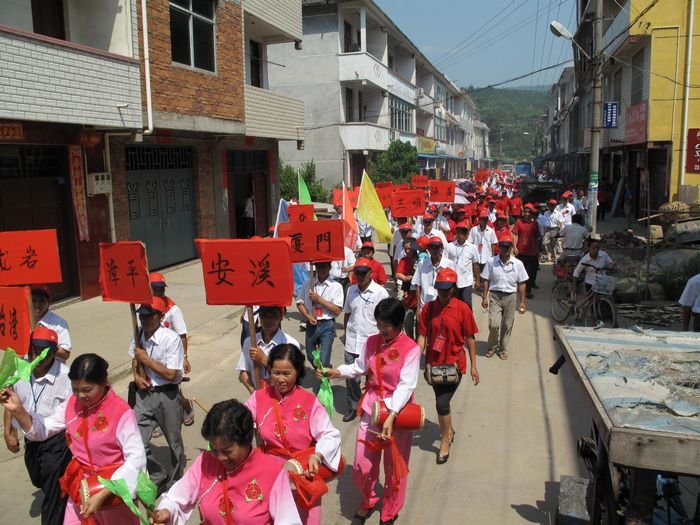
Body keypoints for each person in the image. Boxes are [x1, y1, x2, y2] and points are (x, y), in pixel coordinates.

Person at [1, 353, 147, 524]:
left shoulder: (121, 413)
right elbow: (45, 428)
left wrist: (106, 492)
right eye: (76, 389)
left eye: (87, 390)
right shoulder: (72, 404)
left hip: (113, 494)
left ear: (104, 382)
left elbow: (136, 460)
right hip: (81, 490)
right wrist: (18, 410)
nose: (81, 396)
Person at [319, 298, 420, 525]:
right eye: (379, 324)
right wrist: (335, 372)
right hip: (371, 408)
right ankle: (369, 500)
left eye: (387, 325)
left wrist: (392, 414)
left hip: (399, 413)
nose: (382, 330)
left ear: (399, 323)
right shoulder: (372, 341)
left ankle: (390, 510)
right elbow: (359, 367)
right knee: (362, 466)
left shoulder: (411, 349)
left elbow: (406, 385)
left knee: (395, 468)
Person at [151, 399, 302, 525]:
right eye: (214, 449)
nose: (220, 458)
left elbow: (288, 521)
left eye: (227, 451)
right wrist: (167, 511)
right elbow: (176, 498)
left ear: (246, 441)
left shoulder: (272, 473)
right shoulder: (205, 462)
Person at [245, 345, 342, 524]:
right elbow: (240, 422)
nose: (280, 379)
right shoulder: (258, 398)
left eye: (286, 373)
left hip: (303, 469)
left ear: (298, 372)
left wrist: (318, 456)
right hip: (270, 473)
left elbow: (329, 434)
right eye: (276, 372)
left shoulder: (309, 402)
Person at [3, 326, 73, 525]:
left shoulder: (66, 378)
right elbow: (11, 402)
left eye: (41, 352)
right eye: (32, 349)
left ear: (52, 353)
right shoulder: (20, 370)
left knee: (53, 496)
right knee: (39, 479)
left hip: (56, 444)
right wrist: (8, 432)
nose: (35, 356)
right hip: (31, 440)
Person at [417, 268, 479, 464]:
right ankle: (448, 429)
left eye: (447, 290)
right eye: (440, 289)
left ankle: (445, 440)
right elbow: (423, 335)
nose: (443, 294)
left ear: (453, 289)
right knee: (440, 400)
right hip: (434, 364)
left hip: (454, 365)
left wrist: (474, 366)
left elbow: (470, 338)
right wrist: (415, 357)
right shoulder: (429, 309)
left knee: (442, 403)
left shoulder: (463, 309)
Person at [129, 297, 186, 493]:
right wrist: (137, 376)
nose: (144, 320)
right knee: (136, 440)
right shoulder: (138, 335)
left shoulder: (171, 339)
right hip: (144, 395)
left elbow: (172, 374)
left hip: (167, 396)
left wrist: (148, 360)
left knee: (174, 442)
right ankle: (158, 474)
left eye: (149, 315)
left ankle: (177, 480)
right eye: (141, 315)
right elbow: (134, 361)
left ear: (160, 317)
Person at [342, 258, 389, 422]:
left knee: (372, 378)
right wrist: (346, 334)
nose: (360, 276)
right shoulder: (350, 290)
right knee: (351, 378)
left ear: (371, 273)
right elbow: (347, 313)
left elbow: (386, 318)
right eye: (357, 273)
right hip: (352, 341)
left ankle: (371, 407)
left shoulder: (380, 293)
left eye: (363, 273)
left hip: (371, 343)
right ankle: (354, 406)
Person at [150, 272, 195, 427]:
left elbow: (182, 334)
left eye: (161, 289)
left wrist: (184, 357)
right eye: (155, 289)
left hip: (171, 355)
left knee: (173, 390)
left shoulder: (173, 309)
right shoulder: (145, 307)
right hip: (152, 355)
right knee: (154, 389)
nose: (159, 292)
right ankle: (157, 421)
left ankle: (187, 406)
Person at [481, 236, 529, 361]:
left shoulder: (518, 264)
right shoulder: (491, 262)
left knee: (507, 325)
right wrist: (484, 297)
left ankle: (503, 349)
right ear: (499, 247)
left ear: (511, 248)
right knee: (493, 324)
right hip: (495, 296)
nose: (506, 249)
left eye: (508, 246)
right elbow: (486, 279)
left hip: (511, 297)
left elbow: (522, 283)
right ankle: (492, 346)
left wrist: (522, 302)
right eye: (503, 246)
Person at [237, 306, 301, 393]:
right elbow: (243, 371)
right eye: (264, 315)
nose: (268, 320)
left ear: (281, 317)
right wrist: (254, 393)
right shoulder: (250, 342)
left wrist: (264, 360)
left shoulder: (290, 344)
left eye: (273, 316)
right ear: (259, 317)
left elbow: (293, 376)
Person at [296, 261, 344, 372]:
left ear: (329, 267)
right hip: (311, 324)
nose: (321, 270)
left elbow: (337, 310)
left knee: (324, 358)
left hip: (327, 324)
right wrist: (307, 316)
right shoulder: (308, 283)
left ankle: (324, 382)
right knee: (310, 355)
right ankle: (323, 369)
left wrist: (319, 300)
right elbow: (299, 303)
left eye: (324, 267)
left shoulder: (336, 286)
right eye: (319, 267)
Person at [411, 236, 455, 315]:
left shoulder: (449, 264)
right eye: (432, 247)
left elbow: (453, 287)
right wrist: (418, 308)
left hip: (443, 307)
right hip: (425, 306)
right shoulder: (422, 265)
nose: (435, 250)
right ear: (428, 249)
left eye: (437, 247)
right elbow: (418, 286)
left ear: (442, 249)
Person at [31, 285, 71, 362]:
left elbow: (65, 354)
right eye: (33, 300)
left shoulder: (59, 323)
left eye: (42, 301)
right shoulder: (22, 322)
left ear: (48, 302)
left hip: (53, 371)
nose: (37, 304)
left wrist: (45, 345)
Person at [445, 222, 480, 309]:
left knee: (467, 304)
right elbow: (444, 263)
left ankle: (468, 321)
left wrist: (478, 280)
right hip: (453, 281)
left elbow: (475, 264)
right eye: (459, 232)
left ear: (467, 234)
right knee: (454, 304)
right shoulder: (449, 246)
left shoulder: (472, 247)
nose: (461, 235)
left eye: (463, 232)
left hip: (466, 281)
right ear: (456, 233)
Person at [512, 204, 541, 299]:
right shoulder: (519, 222)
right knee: (519, 271)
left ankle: (527, 291)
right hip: (521, 251)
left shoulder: (535, 223)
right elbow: (515, 235)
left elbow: (536, 237)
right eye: (525, 211)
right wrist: (515, 247)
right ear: (523, 212)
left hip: (531, 252)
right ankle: (518, 288)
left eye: (529, 212)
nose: (527, 213)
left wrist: (537, 250)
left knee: (529, 272)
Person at [395, 237, 418, 339]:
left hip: (419, 296)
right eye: (405, 248)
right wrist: (405, 278)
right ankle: (410, 340)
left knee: (419, 324)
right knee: (407, 321)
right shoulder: (403, 260)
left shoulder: (421, 258)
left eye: (409, 248)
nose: (407, 251)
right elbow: (397, 274)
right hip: (408, 296)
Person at [468, 212, 498, 277]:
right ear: (479, 220)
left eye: (485, 219)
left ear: (487, 220)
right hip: (476, 257)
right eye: (482, 219)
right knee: (476, 276)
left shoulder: (491, 231)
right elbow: (470, 243)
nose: (484, 221)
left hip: (487, 256)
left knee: (486, 276)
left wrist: (492, 256)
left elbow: (493, 244)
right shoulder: (474, 230)